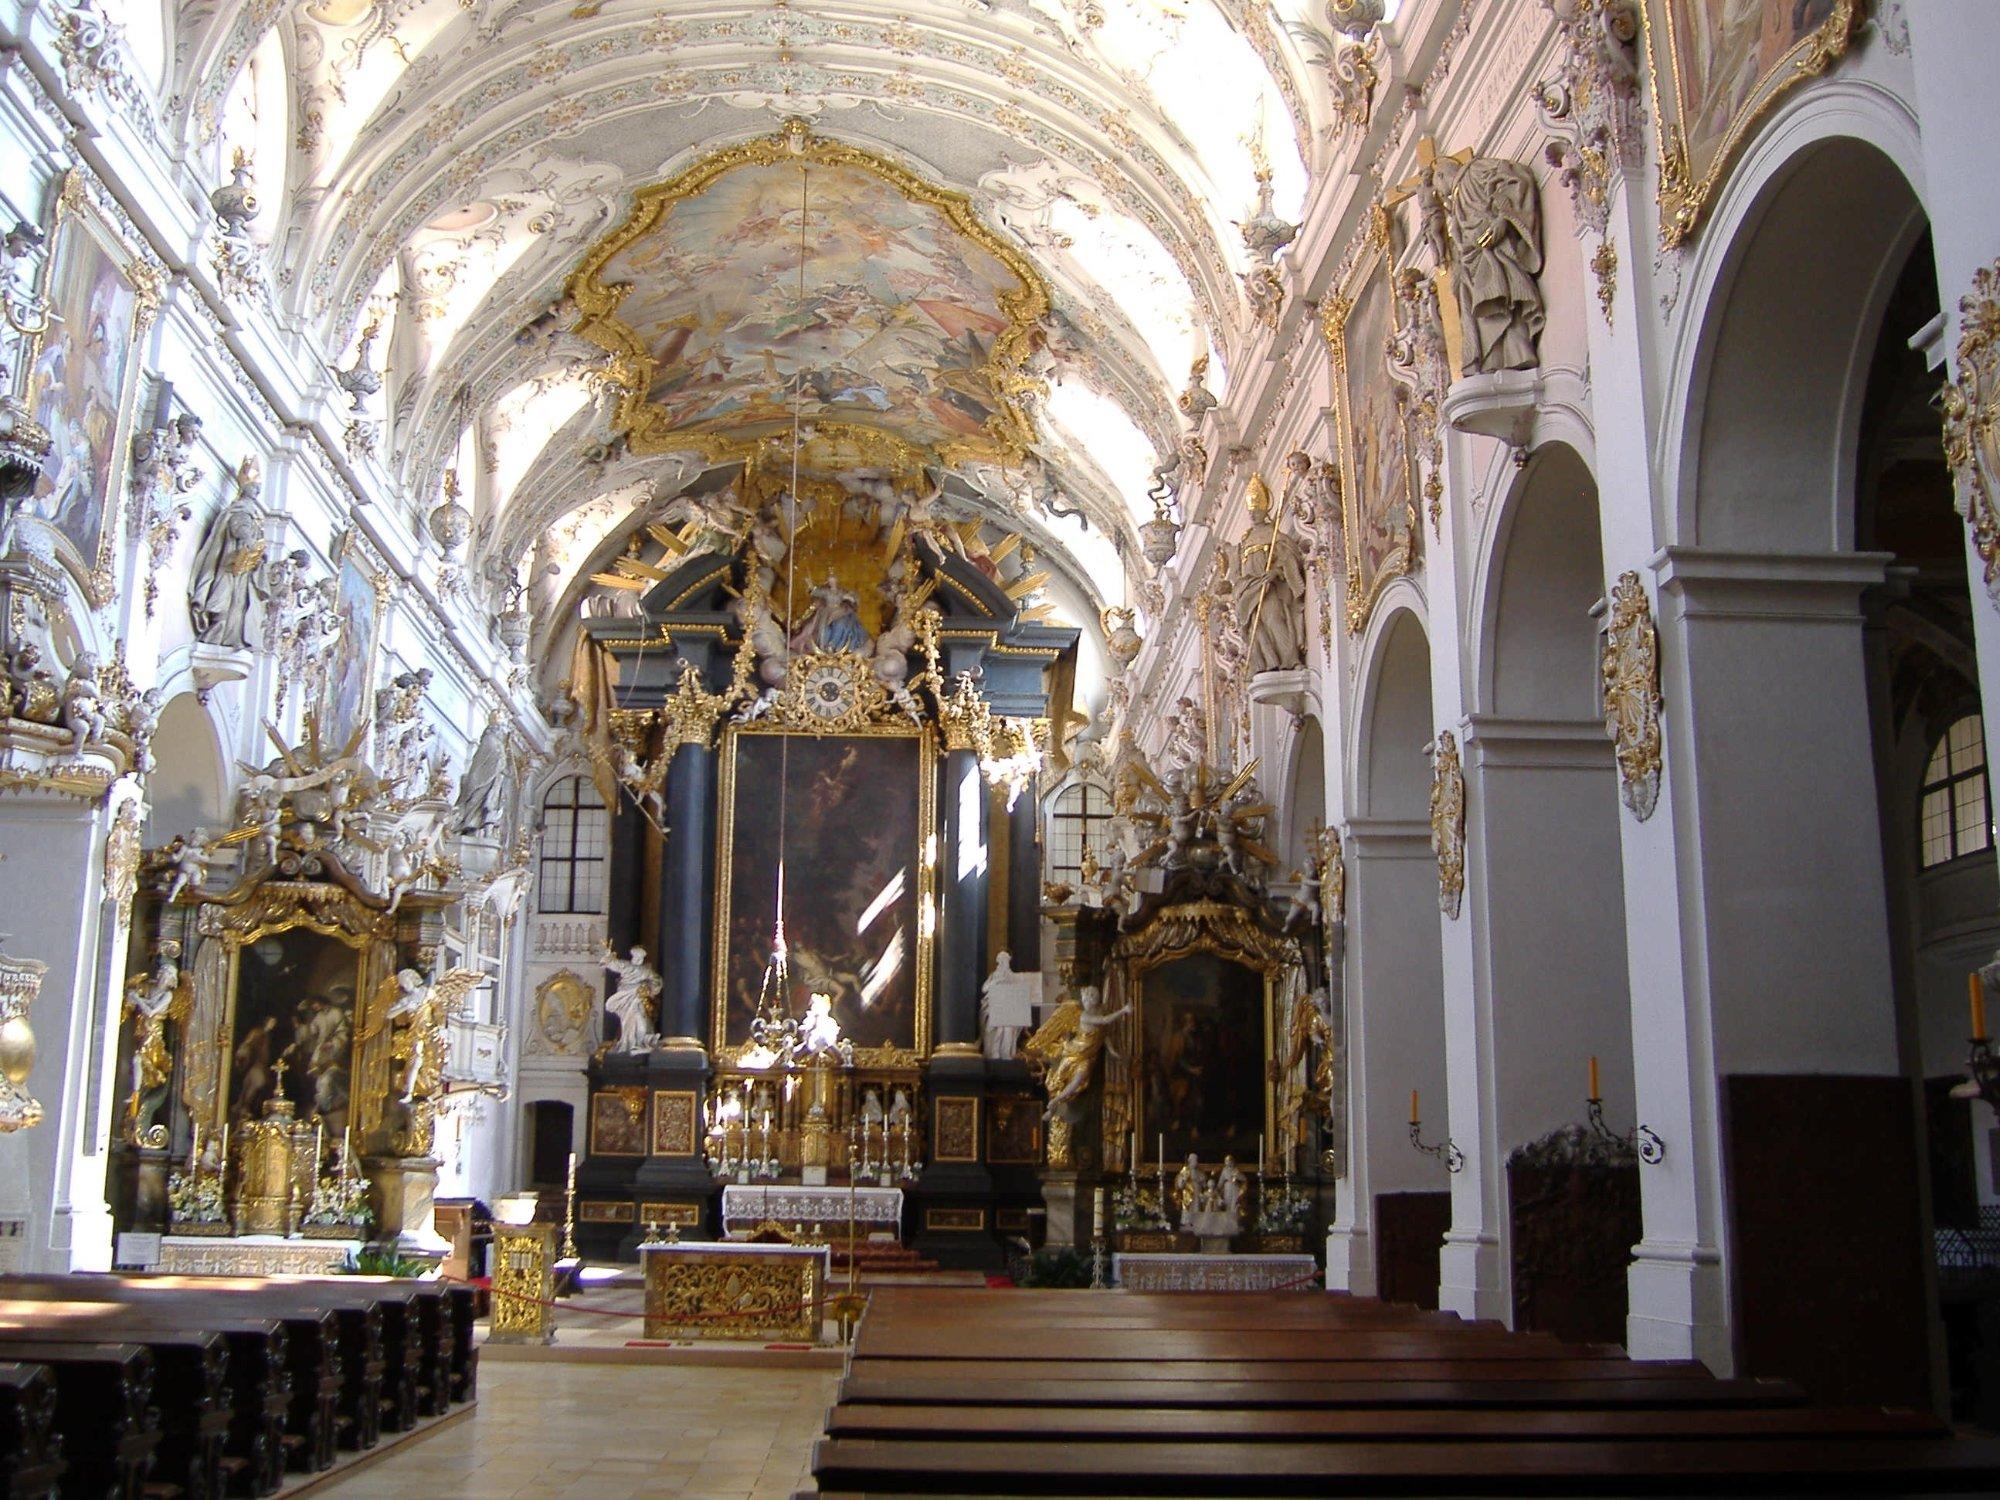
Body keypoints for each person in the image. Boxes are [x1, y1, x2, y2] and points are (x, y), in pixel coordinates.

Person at [602, 945, 662, 1053]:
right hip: (625, 997)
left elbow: (656, 981)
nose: (639, 960)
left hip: (638, 999)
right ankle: (629, 1043)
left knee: (641, 1022)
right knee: (628, 1021)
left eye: (641, 958)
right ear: (633, 956)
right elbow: (612, 964)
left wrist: (648, 990)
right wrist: (608, 956)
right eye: (637, 957)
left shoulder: (646, 970)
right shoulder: (626, 966)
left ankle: (638, 1044)